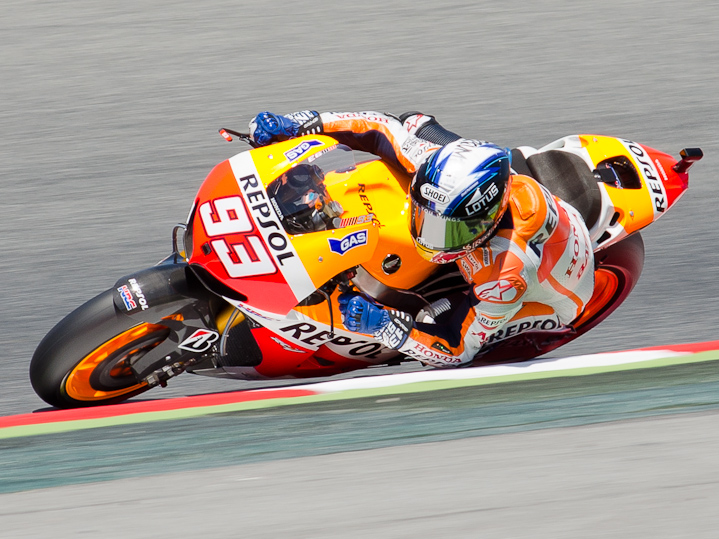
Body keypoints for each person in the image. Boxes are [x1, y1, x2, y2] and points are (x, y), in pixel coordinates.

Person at [249, 110, 595, 367]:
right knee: (413, 123)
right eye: (426, 215)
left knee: (432, 322)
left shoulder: (505, 277)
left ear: (485, 222)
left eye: (450, 230)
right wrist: (301, 123)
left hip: (555, 297)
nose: (432, 235)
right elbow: (377, 126)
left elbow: (457, 349)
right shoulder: (435, 164)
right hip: (526, 209)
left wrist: (385, 326)